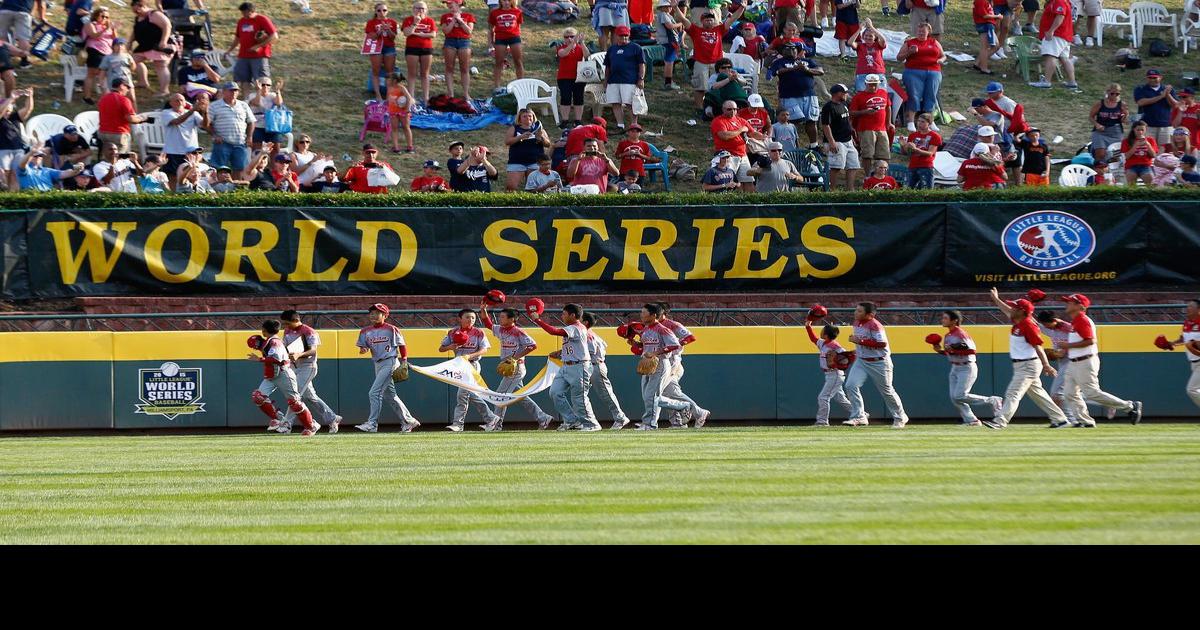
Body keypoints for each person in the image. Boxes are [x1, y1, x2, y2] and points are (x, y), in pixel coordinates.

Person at [981, 290, 1067, 430]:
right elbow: (1006, 310)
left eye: (1014, 307)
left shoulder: (1028, 325)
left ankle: (1000, 421)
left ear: (1021, 311)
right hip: (1023, 365)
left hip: (1028, 365)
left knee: (1013, 393)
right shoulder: (1019, 320)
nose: (1011, 309)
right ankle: (1060, 419)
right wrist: (996, 299)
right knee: (1038, 394)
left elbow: (1038, 346)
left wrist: (1046, 365)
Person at [1056, 293, 1143, 428]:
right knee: (1069, 393)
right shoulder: (1075, 321)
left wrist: (1067, 346)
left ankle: (1130, 406)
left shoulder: (1082, 319)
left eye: (1070, 302)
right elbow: (1080, 341)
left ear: (1080, 306)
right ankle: (1085, 421)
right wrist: (1065, 350)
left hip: (1085, 362)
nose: (1067, 304)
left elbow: (1091, 341)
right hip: (1074, 362)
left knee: (1091, 393)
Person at [479, 303, 556, 431]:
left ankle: (496, 425)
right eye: (500, 316)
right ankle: (543, 417)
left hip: (516, 368)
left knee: (501, 395)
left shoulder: (518, 332)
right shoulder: (500, 329)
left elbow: (532, 346)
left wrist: (515, 358)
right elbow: (488, 324)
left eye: (503, 317)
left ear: (512, 319)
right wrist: (483, 310)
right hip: (509, 367)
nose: (500, 319)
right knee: (520, 396)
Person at [355, 303, 421, 433]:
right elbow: (364, 347)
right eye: (372, 313)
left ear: (385, 315)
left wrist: (404, 361)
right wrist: (363, 349)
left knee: (374, 393)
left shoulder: (391, 329)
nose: (373, 315)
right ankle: (409, 421)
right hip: (377, 364)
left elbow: (402, 345)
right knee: (390, 395)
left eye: (377, 313)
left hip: (390, 361)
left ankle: (372, 424)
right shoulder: (365, 331)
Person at [528, 302, 595, 431]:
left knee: (579, 398)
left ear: (573, 315)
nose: (562, 316)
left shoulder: (577, 327)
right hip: (566, 366)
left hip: (579, 366)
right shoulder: (572, 328)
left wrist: (538, 320)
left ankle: (591, 424)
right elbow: (574, 347)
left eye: (564, 314)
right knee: (555, 392)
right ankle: (571, 421)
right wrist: (560, 353)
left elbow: (553, 331)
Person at [929, 310, 1003, 426]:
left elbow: (972, 350)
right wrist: (940, 351)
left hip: (967, 367)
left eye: (945, 318)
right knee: (955, 398)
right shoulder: (948, 336)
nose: (942, 320)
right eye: (942, 318)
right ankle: (971, 420)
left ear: (954, 321)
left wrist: (952, 349)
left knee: (959, 395)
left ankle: (992, 400)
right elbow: (952, 353)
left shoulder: (961, 334)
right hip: (955, 367)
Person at [247, 320, 319, 436]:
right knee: (258, 397)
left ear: (265, 330)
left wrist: (259, 359)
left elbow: (277, 360)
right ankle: (281, 420)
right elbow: (266, 351)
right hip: (271, 375)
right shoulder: (269, 341)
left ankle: (311, 426)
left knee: (294, 402)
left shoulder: (275, 342)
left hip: (283, 374)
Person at [844, 302, 909, 428]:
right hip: (862, 361)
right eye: (856, 310)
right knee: (851, 385)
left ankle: (900, 417)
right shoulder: (857, 322)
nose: (855, 313)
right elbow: (861, 342)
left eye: (859, 311)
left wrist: (860, 341)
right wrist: (856, 349)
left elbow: (882, 343)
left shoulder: (875, 325)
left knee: (887, 391)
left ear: (870, 315)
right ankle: (859, 416)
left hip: (879, 361)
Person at [277, 309, 341, 434]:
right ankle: (333, 418)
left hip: (308, 366)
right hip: (294, 366)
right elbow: (284, 346)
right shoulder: (287, 330)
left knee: (295, 395)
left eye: (287, 323)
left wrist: (298, 355)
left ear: (296, 320)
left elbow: (313, 351)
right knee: (310, 397)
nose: (285, 326)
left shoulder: (309, 331)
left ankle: (287, 424)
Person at [438, 308, 501, 432]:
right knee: (469, 394)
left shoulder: (478, 332)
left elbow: (484, 349)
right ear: (460, 319)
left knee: (462, 394)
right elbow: (441, 348)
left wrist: (469, 356)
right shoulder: (453, 332)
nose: (470, 320)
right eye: (467, 317)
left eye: (473, 318)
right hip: (458, 365)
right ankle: (491, 418)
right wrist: (450, 347)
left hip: (472, 364)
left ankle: (458, 424)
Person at [680, 6, 742, 111]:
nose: (709, 21)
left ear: (714, 21)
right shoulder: (696, 30)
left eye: (711, 19)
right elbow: (684, 20)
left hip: (717, 63)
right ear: (702, 21)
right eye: (706, 19)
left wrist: (742, 8)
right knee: (700, 87)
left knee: (718, 86)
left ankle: (717, 106)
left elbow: (732, 19)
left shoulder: (719, 29)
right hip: (701, 62)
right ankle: (700, 108)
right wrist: (676, 8)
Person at [803, 316, 854, 427]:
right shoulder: (823, 343)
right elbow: (813, 339)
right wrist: (808, 327)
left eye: (823, 330)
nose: (821, 331)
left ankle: (822, 421)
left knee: (823, 397)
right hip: (830, 374)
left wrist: (838, 362)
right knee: (841, 399)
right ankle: (861, 414)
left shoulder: (836, 346)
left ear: (826, 334)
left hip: (835, 374)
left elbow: (847, 358)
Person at [771, 43, 824, 147]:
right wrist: (795, 68)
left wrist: (806, 69)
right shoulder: (779, 62)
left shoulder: (807, 61)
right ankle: (793, 146)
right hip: (789, 95)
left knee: (811, 120)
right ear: (782, 51)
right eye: (787, 48)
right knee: (792, 121)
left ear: (797, 50)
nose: (791, 50)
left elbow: (820, 71)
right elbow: (777, 72)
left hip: (809, 95)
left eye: (793, 48)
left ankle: (814, 146)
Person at [897, 21, 945, 130]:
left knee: (931, 95)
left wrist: (941, 60)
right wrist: (909, 52)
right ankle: (911, 122)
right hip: (913, 71)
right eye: (919, 31)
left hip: (933, 71)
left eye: (923, 31)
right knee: (914, 95)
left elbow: (943, 55)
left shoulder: (934, 42)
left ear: (929, 32)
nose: (921, 33)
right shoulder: (910, 42)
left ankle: (930, 121)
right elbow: (899, 57)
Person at [226, 2, 277, 93]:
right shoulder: (242, 21)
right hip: (243, 55)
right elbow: (237, 38)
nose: (243, 15)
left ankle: (263, 100)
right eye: (242, 13)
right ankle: (247, 99)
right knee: (244, 79)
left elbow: (274, 36)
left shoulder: (262, 19)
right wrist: (229, 50)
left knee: (262, 80)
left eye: (244, 12)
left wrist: (259, 46)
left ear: (250, 11)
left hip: (259, 56)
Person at [129, 0, 175, 99]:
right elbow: (135, 30)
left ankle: (164, 90)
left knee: (160, 66)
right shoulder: (138, 17)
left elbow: (167, 26)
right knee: (132, 61)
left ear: (143, 6)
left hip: (158, 44)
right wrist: (129, 42)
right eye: (134, 11)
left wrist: (163, 41)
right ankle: (143, 82)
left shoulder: (154, 14)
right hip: (145, 45)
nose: (136, 12)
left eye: (137, 10)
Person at [710, 99, 760, 190]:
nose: (733, 111)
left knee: (748, 181)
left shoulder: (741, 120)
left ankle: (749, 203)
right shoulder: (718, 121)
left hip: (743, 156)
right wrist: (741, 130)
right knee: (727, 182)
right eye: (729, 109)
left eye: (735, 109)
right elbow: (724, 136)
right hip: (727, 157)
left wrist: (765, 137)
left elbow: (753, 133)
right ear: (723, 109)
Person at [848, 73, 890, 177]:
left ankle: (882, 176)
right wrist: (865, 112)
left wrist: (889, 122)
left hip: (882, 128)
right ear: (865, 84)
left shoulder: (883, 93)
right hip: (866, 128)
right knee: (867, 154)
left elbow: (888, 107)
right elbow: (851, 112)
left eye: (875, 84)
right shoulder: (859, 96)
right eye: (870, 85)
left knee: (884, 154)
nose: (873, 87)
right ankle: (867, 176)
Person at [602, 25, 645, 129]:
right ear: (616, 36)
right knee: (615, 102)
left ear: (629, 35)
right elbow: (608, 66)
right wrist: (606, 79)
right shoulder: (612, 49)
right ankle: (620, 124)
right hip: (613, 80)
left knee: (631, 103)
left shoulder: (636, 48)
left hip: (629, 80)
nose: (624, 38)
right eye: (621, 36)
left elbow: (642, 64)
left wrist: (641, 78)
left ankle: (634, 125)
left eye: (626, 36)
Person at [206, 81, 254, 173]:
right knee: (218, 168)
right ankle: (217, 186)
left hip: (240, 142)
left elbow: (251, 121)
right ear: (224, 91)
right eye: (231, 90)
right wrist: (214, 135)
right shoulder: (214, 106)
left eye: (236, 91)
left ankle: (237, 186)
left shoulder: (243, 105)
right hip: (222, 142)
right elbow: (207, 124)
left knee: (240, 169)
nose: (234, 93)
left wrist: (249, 136)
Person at [1029, 0, 1077, 90]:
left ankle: (1047, 82)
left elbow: (1060, 16)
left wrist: (1051, 31)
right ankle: (1072, 82)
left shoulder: (1059, 1)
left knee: (1050, 56)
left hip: (1057, 35)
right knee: (1064, 58)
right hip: (1064, 35)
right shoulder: (1060, 1)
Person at [161, 91, 205, 188]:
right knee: (172, 177)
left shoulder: (194, 113)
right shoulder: (166, 113)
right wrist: (192, 110)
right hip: (173, 151)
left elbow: (204, 125)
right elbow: (177, 121)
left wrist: (205, 111)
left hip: (191, 152)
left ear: (185, 103)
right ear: (171, 103)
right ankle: (173, 197)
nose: (179, 102)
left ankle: (191, 194)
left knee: (193, 175)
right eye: (176, 100)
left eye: (181, 100)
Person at [1162, 299, 1200, 409]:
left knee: (1192, 390)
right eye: (1187, 306)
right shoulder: (1187, 323)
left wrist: (1195, 344)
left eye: (1191, 306)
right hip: (1193, 362)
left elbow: (1193, 343)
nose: (1187, 308)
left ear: (1198, 309)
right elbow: (1183, 338)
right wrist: (1171, 344)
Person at [819, 83, 859, 190]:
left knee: (853, 165)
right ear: (838, 93)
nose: (846, 94)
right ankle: (832, 190)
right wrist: (831, 141)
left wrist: (851, 134)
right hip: (837, 141)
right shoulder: (829, 107)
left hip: (848, 140)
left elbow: (846, 121)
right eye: (844, 93)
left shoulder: (844, 104)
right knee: (835, 167)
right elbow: (825, 125)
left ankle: (850, 190)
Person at [504, 108, 550, 190]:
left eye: (530, 116)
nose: (528, 118)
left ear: (533, 117)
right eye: (524, 116)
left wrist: (541, 138)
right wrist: (520, 137)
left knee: (535, 189)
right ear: (519, 118)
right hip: (516, 161)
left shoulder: (539, 129)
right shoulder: (514, 128)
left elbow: (548, 144)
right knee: (511, 187)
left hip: (535, 162)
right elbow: (507, 142)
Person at [81, 6, 118, 104]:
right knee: (92, 74)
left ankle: (105, 97)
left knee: (104, 75)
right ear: (96, 16)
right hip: (95, 51)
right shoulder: (90, 24)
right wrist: (104, 29)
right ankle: (87, 96)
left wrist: (113, 29)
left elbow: (115, 39)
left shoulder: (108, 27)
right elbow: (94, 35)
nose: (105, 19)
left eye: (107, 17)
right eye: (103, 16)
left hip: (107, 52)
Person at [98, 78, 146, 153]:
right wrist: (142, 119)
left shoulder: (103, 98)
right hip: (118, 134)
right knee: (121, 159)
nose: (128, 90)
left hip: (103, 132)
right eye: (127, 87)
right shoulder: (124, 100)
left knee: (107, 157)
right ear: (121, 86)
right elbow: (130, 119)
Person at [402, 2, 436, 105]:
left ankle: (426, 98)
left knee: (425, 74)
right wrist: (415, 23)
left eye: (423, 9)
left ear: (426, 10)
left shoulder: (430, 20)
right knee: (412, 74)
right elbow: (406, 33)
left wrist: (417, 34)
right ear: (413, 9)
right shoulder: (408, 20)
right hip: (412, 48)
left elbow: (433, 34)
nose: (420, 11)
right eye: (418, 8)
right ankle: (411, 98)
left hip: (426, 49)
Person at [440, 0, 474, 100]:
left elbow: (469, 31)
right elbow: (446, 31)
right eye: (447, 3)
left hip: (464, 41)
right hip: (450, 41)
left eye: (451, 3)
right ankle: (450, 93)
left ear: (459, 3)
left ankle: (466, 94)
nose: (448, 5)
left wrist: (461, 21)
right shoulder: (445, 16)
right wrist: (453, 21)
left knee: (464, 68)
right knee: (449, 68)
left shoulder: (468, 16)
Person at [365, 3, 399, 101]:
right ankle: (378, 95)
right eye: (379, 10)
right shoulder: (371, 22)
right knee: (376, 71)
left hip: (389, 47)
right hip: (376, 48)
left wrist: (388, 30)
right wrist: (379, 31)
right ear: (375, 12)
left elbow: (393, 37)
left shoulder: (392, 21)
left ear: (387, 11)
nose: (382, 12)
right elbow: (371, 37)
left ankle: (389, 95)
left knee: (390, 72)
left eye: (384, 10)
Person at [1135, 69, 1178, 146]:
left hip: (1166, 126)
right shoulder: (1140, 89)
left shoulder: (1168, 89)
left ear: (1160, 78)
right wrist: (1161, 96)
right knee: (1148, 149)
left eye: (1155, 78)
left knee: (1165, 151)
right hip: (1148, 125)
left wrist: (1168, 95)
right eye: (1150, 77)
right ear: (1146, 78)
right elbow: (1141, 102)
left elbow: (1175, 105)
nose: (1152, 80)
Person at [488, 0, 524, 92]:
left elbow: (519, 26)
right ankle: (497, 86)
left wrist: (518, 38)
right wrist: (490, 42)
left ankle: (521, 85)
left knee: (518, 61)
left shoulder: (517, 11)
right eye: (504, 0)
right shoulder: (494, 12)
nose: (507, 3)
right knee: (499, 62)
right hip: (500, 38)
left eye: (509, 0)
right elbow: (490, 29)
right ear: (500, 1)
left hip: (514, 37)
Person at [1088, 83, 1127, 162]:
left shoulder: (1122, 104)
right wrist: (1097, 124)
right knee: (1100, 154)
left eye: (1117, 94)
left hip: (1116, 131)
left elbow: (1123, 120)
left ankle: (1111, 171)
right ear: (1107, 92)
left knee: (1115, 155)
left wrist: (1126, 115)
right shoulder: (1100, 103)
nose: (1114, 95)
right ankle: (1099, 169)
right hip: (1101, 131)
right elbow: (1090, 117)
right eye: (1112, 93)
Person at [555, 27, 586, 127]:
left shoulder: (580, 47)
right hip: (564, 77)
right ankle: (565, 120)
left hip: (579, 77)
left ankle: (578, 120)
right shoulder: (561, 47)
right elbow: (563, 54)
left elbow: (587, 56)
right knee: (565, 97)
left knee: (579, 97)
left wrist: (582, 43)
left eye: (572, 36)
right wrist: (572, 44)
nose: (569, 38)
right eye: (566, 37)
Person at [18, 149, 86, 191]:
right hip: (32, 201)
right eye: (36, 156)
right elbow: (22, 164)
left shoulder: (47, 170)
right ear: (29, 157)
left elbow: (66, 173)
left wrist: (78, 167)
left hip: (48, 200)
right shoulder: (26, 169)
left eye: (41, 156)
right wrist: (31, 152)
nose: (39, 158)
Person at [847, 17, 885, 92]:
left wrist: (871, 27)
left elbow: (883, 40)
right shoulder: (860, 45)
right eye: (866, 35)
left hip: (878, 73)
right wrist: (859, 29)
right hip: (863, 73)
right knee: (862, 94)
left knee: (880, 94)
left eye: (870, 36)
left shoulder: (878, 45)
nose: (868, 37)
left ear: (875, 37)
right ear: (863, 37)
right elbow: (850, 42)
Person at [903, 112, 940, 189]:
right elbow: (907, 153)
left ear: (929, 123)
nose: (919, 123)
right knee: (908, 191)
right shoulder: (913, 135)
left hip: (926, 167)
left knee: (926, 191)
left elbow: (930, 153)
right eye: (918, 121)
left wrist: (916, 149)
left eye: (922, 122)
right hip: (912, 166)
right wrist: (903, 145)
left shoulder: (935, 136)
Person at [247, 76, 284, 151]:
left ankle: (274, 163)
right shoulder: (252, 95)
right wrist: (258, 91)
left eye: (268, 85)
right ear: (259, 84)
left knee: (275, 150)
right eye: (263, 84)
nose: (265, 86)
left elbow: (279, 103)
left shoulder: (272, 95)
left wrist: (278, 91)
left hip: (272, 126)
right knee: (257, 150)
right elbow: (256, 103)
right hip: (257, 126)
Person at [99, 38, 137, 109]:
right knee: (116, 100)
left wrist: (132, 64)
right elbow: (103, 71)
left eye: (122, 45)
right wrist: (101, 83)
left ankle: (134, 114)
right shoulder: (108, 58)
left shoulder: (127, 56)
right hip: (114, 82)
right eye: (117, 45)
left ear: (124, 47)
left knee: (132, 98)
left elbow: (133, 68)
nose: (120, 47)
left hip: (127, 81)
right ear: (113, 46)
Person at [653, 0, 682, 90]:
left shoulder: (666, 15)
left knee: (670, 61)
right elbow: (669, 26)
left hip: (669, 40)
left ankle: (669, 81)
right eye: (667, 6)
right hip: (668, 41)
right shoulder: (663, 15)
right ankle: (668, 83)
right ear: (662, 7)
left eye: (670, 6)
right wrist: (680, 23)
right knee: (669, 62)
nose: (669, 8)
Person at [1121, 120, 1158, 186]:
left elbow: (1154, 155)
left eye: (1142, 130)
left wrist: (1148, 145)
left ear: (1145, 130)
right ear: (1133, 130)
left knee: (1151, 184)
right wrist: (1135, 145)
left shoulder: (1150, 140)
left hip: (1146, 165)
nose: (1140, 132)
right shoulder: (1126, 141)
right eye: (1138, 130)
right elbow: (1126, 156)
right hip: (1131, 166)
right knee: (1130, 184)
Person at [385, 72, 413, 153]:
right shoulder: (389, 88)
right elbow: (388, 99)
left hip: (403, 112)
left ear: (394, 80)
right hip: (393, 112)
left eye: (388, 79)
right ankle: (396, 147)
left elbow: (409, 98)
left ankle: (410, 146)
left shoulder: (402, 88)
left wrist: (407, 109)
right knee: (394, 129)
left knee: (406, 127)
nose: (386, 81)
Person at [972, 0, 1001, 75]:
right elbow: (985, 15)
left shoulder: (986, 1)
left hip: (988, 25)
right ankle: (984, 68)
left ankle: (978, 63)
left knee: (996, 46)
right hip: (984, 25)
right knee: (985, 47)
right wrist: (997, 16)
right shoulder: (980, 1)